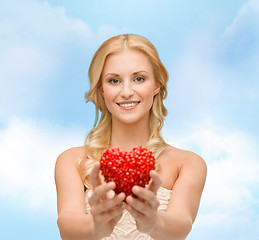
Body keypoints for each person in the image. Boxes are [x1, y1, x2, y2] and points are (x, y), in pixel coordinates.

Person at [55, 34, 207, 240]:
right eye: (114, 80)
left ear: (157, 86)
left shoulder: (188, 163)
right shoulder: (72, 160)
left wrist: (154, 223)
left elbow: (181, 226)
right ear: (101, 88)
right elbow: (67, 226)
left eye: (139, 79)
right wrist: (96, 226)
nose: (126, 92)